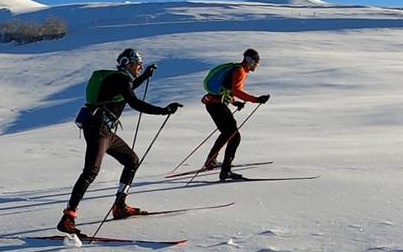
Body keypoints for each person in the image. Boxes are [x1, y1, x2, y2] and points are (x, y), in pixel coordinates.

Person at [57, 48, 183, 236]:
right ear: (129, 63)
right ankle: (68, 218)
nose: (140, 67)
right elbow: (134, 102)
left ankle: (120, 205)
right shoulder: (121, 79)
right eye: (138, 64)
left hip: (104, 130)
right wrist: (163, 110)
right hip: (98, 129)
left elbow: (127, 91)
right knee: (91, 171)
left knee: (131, 160)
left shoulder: (120, 80)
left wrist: (145, 76)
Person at [200, 48, 270, 181]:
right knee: (234, 135)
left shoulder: (237, 69)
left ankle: (212, 161)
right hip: (216, 105)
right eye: (256, 62)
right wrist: (256, 99)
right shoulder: (240, 71)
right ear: (250, 61)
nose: (257, 65)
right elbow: (236, 90)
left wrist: (234, 103)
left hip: (214, 104)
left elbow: (226, 90)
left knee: (228, 133)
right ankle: (225, 170)